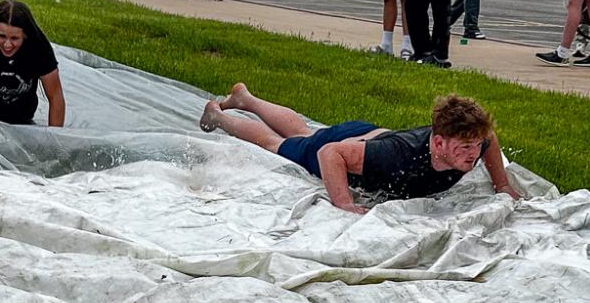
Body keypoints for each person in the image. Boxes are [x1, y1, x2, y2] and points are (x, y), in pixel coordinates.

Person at [198, 84, 522, 212]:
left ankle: (246, 98)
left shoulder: (475, 142)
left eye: (475, 145)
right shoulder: (398, 157)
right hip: (349, 148)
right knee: (278, 144)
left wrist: (503, 184)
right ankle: (220, 115)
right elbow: (331, 154)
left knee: (304, 132)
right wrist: (344, 203)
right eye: (466, 147)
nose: (473, 153)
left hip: (365, 138)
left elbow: (489, 141)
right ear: (438, 143)